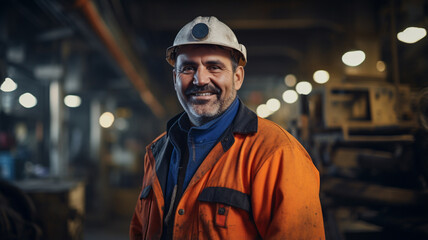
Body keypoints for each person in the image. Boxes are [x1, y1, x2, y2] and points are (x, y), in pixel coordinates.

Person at [130, 16, 325, 239]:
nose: (200, 79)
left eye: (214, 67)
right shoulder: (157, 152)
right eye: (187, 68)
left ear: (238, 77)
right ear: (175, 78)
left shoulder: (277, 153)